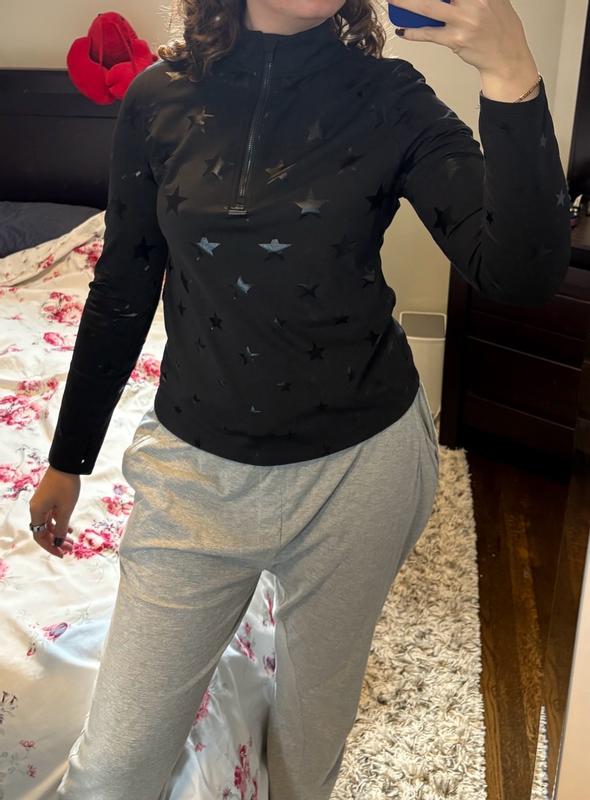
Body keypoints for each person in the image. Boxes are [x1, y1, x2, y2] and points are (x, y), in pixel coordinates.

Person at [30, 1, 570, 798]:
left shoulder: (391, 97)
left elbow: (519, 274)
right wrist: (68, 459)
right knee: (112, 771)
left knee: (309, 745)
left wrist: (510, 72)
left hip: (361, 471)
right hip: (195, 474)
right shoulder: (158, 98)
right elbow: (123, 287)